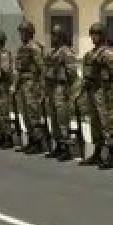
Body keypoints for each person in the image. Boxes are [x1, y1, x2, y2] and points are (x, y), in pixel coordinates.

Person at [80, 22, 113, 168]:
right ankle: (98, 152)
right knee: (95, 123)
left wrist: (105, 64)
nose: (94, 37)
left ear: (103, 35)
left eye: (97, 34)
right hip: (92, 90)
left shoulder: (108, 53)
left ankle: (111, 155)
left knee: (107, 124)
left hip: (105, 92)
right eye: (92, 34)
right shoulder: (90, 54)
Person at [13, 19, 48, 154]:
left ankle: (38, 142)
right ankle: (32, 140)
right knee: (26, 115)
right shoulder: (22, 48)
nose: (21, 35)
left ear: (30, 33)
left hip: (32, 84)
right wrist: (15, 86)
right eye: (21, 33)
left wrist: (42, 89)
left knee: (33, 114)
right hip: (23, 84)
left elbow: (42, 68)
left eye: (23, 33)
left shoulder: (34, 48)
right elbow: (18, 70)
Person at [45, 23, 79, 161]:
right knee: (54, 118)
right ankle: (58, 145)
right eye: (53, 34)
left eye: (56, 35)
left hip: (61, 87)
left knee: (62, 119)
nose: (53, 37)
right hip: (53, 87)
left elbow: (72, 73)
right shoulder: (53, 52)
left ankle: (66, 148)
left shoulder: (66, 52)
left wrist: (66, 87)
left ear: (62, 37)